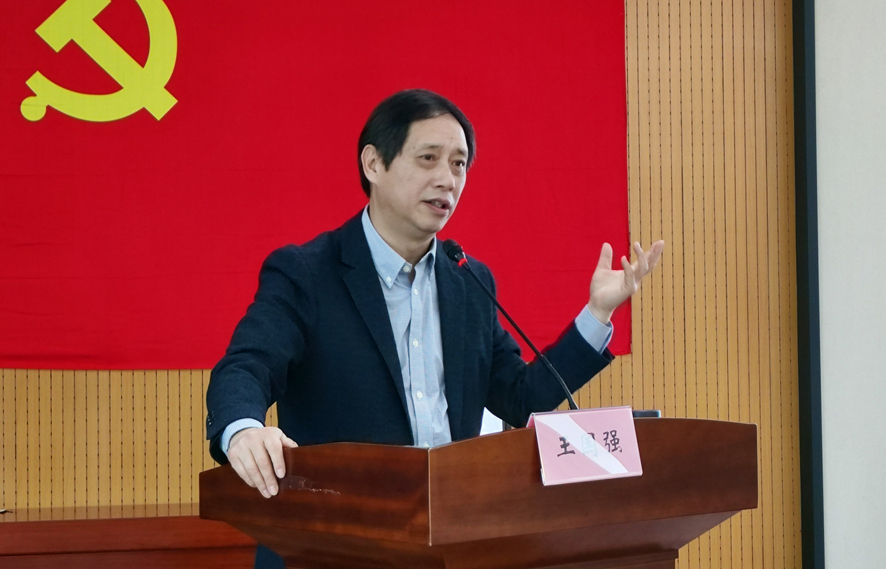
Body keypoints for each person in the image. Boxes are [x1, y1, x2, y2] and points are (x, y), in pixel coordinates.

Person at [205, 89, 664, 569]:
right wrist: (244, 431)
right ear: (374, 164)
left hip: (451, 546)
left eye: (459, 164)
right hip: (333, 547)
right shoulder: (308, 273)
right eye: (428, 158)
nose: (447, 179)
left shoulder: (468, 281)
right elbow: (246, 366)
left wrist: (597, 314)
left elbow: (520, 397)